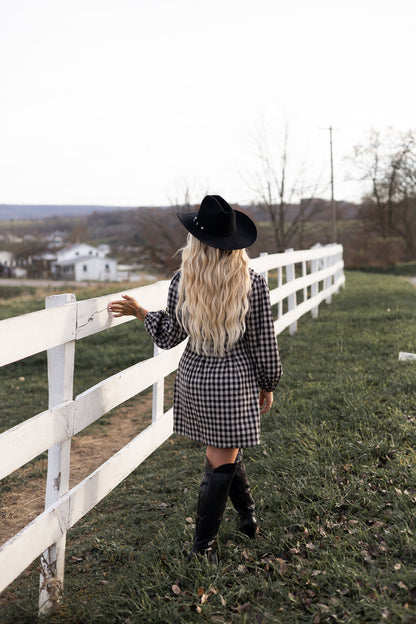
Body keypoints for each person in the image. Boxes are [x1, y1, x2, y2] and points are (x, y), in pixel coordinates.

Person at [109, 195, 282, 560]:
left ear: (196, 242)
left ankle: (248, 516)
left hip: (195, 380)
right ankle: (202, 548)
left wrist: (143, 314)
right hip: (233, 385)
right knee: (221, 458)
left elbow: (170, 335)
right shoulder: (252, 283)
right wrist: (268, 384)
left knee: (222, 454)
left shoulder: (182, 281)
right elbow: (264, 345)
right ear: (235, 243)